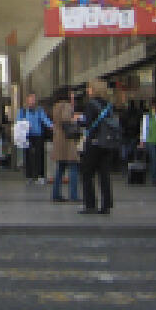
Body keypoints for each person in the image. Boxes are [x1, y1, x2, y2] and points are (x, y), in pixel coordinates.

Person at [76, 80, 116, 215]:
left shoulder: (91, 104)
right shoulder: (109, 105)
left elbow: (87, 123)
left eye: (89, 88)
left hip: (93, 143)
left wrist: (79, 120)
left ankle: (90, 204)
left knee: (87, 173)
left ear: (94, 90)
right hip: (107, 143)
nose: (87, 90)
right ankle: (106, 205)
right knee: (104, 174)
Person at [49, 86, 80, 203]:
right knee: (73, 166)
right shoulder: (66, 105)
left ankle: (56, 193)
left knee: (60, 168)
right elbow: (66, 119)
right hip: (67, 140)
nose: (72, 96)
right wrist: (75, 118)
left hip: (58, 140)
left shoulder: (55, 106)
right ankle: (73, 194)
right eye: (71, 94)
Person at [18, 93, 54, 184]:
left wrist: (51, 126)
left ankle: (40, 175)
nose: (32, 101)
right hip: (27, 135)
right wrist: (24, 126)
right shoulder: (22, 111)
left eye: (34, 99)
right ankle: (29, 176)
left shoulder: (39, 110)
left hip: (38, 135)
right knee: (28, 155)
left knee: (40, 155)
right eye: (31, 99)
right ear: (27, 100)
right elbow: (18, 122)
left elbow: (44, 119)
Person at [139, 100, 156, 187]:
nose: (155, 108)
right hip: (151, 141)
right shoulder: (147, 117)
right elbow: (144, 129)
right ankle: (155, 179)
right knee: (154, 160)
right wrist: (142, 140)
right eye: (154, 107)